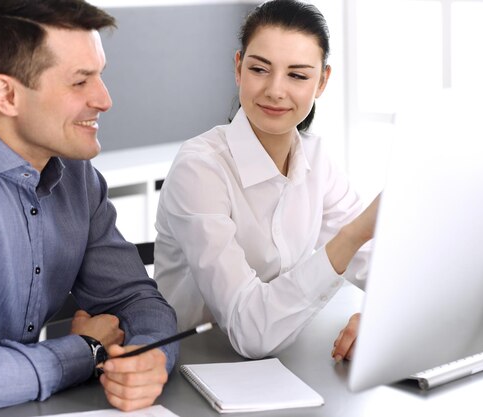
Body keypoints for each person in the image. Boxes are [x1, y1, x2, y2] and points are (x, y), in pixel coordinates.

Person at [0, 1, 178, 416]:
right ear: (6, 94)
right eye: (80, 82)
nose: (104, 99)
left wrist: (149, 355)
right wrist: (85, 351)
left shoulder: (75, 172)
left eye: (100, 76)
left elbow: (132, 296)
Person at [154, 0, 379, 362]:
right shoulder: (200, 170)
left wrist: (378, 318)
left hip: (284, 363)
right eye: (260, 69)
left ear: (322, 81)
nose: (276, 90)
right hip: (191, 367)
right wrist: (354, 234)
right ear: (238, 67)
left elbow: (381, 267)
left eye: (298, 75)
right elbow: (249, 330)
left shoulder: (317, 160)